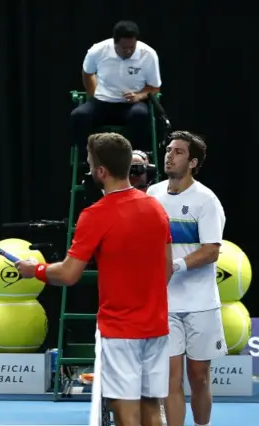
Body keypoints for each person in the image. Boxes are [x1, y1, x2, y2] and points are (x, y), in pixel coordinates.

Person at [16, 132, 173, 426]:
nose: (88, 170)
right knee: (152, 407)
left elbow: (68, 274)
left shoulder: (95, 215)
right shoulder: (156, 208)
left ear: (101, 172)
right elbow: (168, 269)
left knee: (125, 413)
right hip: (156, 327)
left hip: (121, 331)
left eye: (90, 164)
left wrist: (34, 270)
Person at [147, 131, 226, 426]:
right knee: (171, 379)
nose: (170, 155)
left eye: (178, 152)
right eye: (169, 150)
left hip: (201, 304)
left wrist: (174, 266)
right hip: (164, 305)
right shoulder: (152, 195)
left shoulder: (207, 200)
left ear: (192, 162)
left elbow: (211, 252)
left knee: (199, 378)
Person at [71, 20, 162, 150]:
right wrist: (94, 94)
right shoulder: (97, 51)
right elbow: (87, 73)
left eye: (132, 47)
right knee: (79, 115)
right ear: (114, 43)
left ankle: (134, 157)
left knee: (140, 115)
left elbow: (155, 88)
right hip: (102, 103)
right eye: (124, 48)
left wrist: (139, 96)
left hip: (131, 105)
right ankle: (88, 158)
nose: (129, 51)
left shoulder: (148, 54)